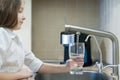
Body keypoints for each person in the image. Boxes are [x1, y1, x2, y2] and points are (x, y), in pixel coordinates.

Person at [0, 0, 84, 80]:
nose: (24, 17)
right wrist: (21, 74)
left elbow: (36, 65)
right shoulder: (1, 34)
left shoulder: (15, 38)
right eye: (20, 11)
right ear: (8, 11)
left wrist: (67, 67)